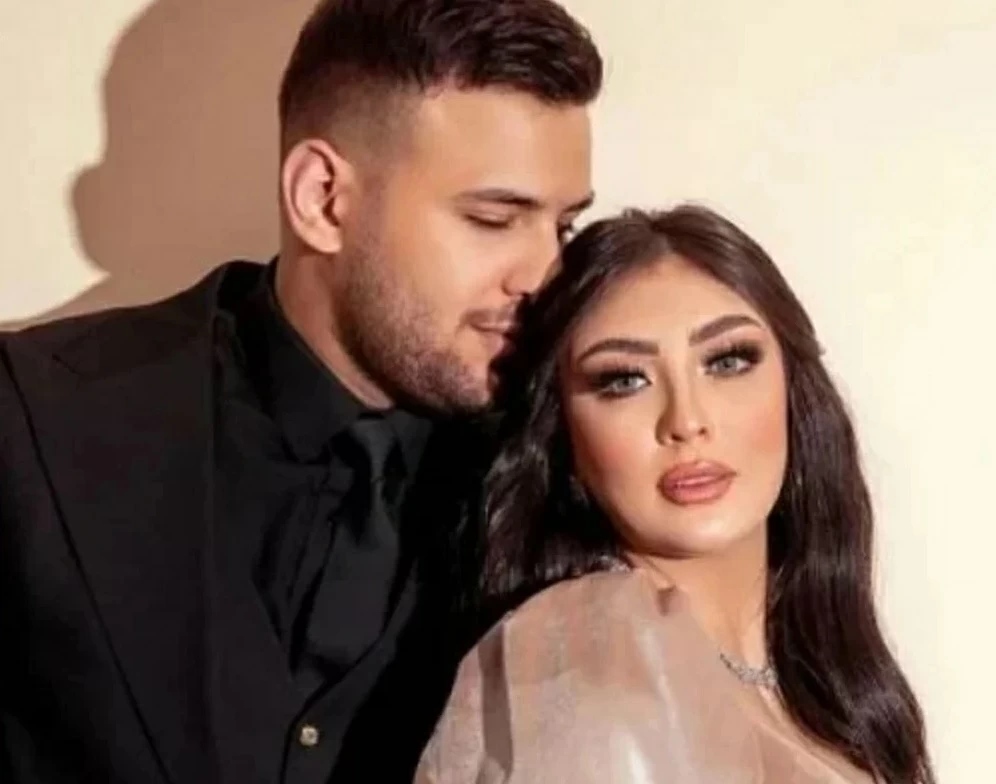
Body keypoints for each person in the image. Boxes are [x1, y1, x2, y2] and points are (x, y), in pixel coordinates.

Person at [0, 1, 601, 782]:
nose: (544, 277)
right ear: (321, 198)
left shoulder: (569, 466)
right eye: (493, 219)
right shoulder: (29, 415)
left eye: (563, 228)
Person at [416, 205, 935, 783]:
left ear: (794, 392)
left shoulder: (821, 680)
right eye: (623, 380)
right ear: (562, 437)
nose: (686, 420)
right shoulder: (593, 649)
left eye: (728, 361)